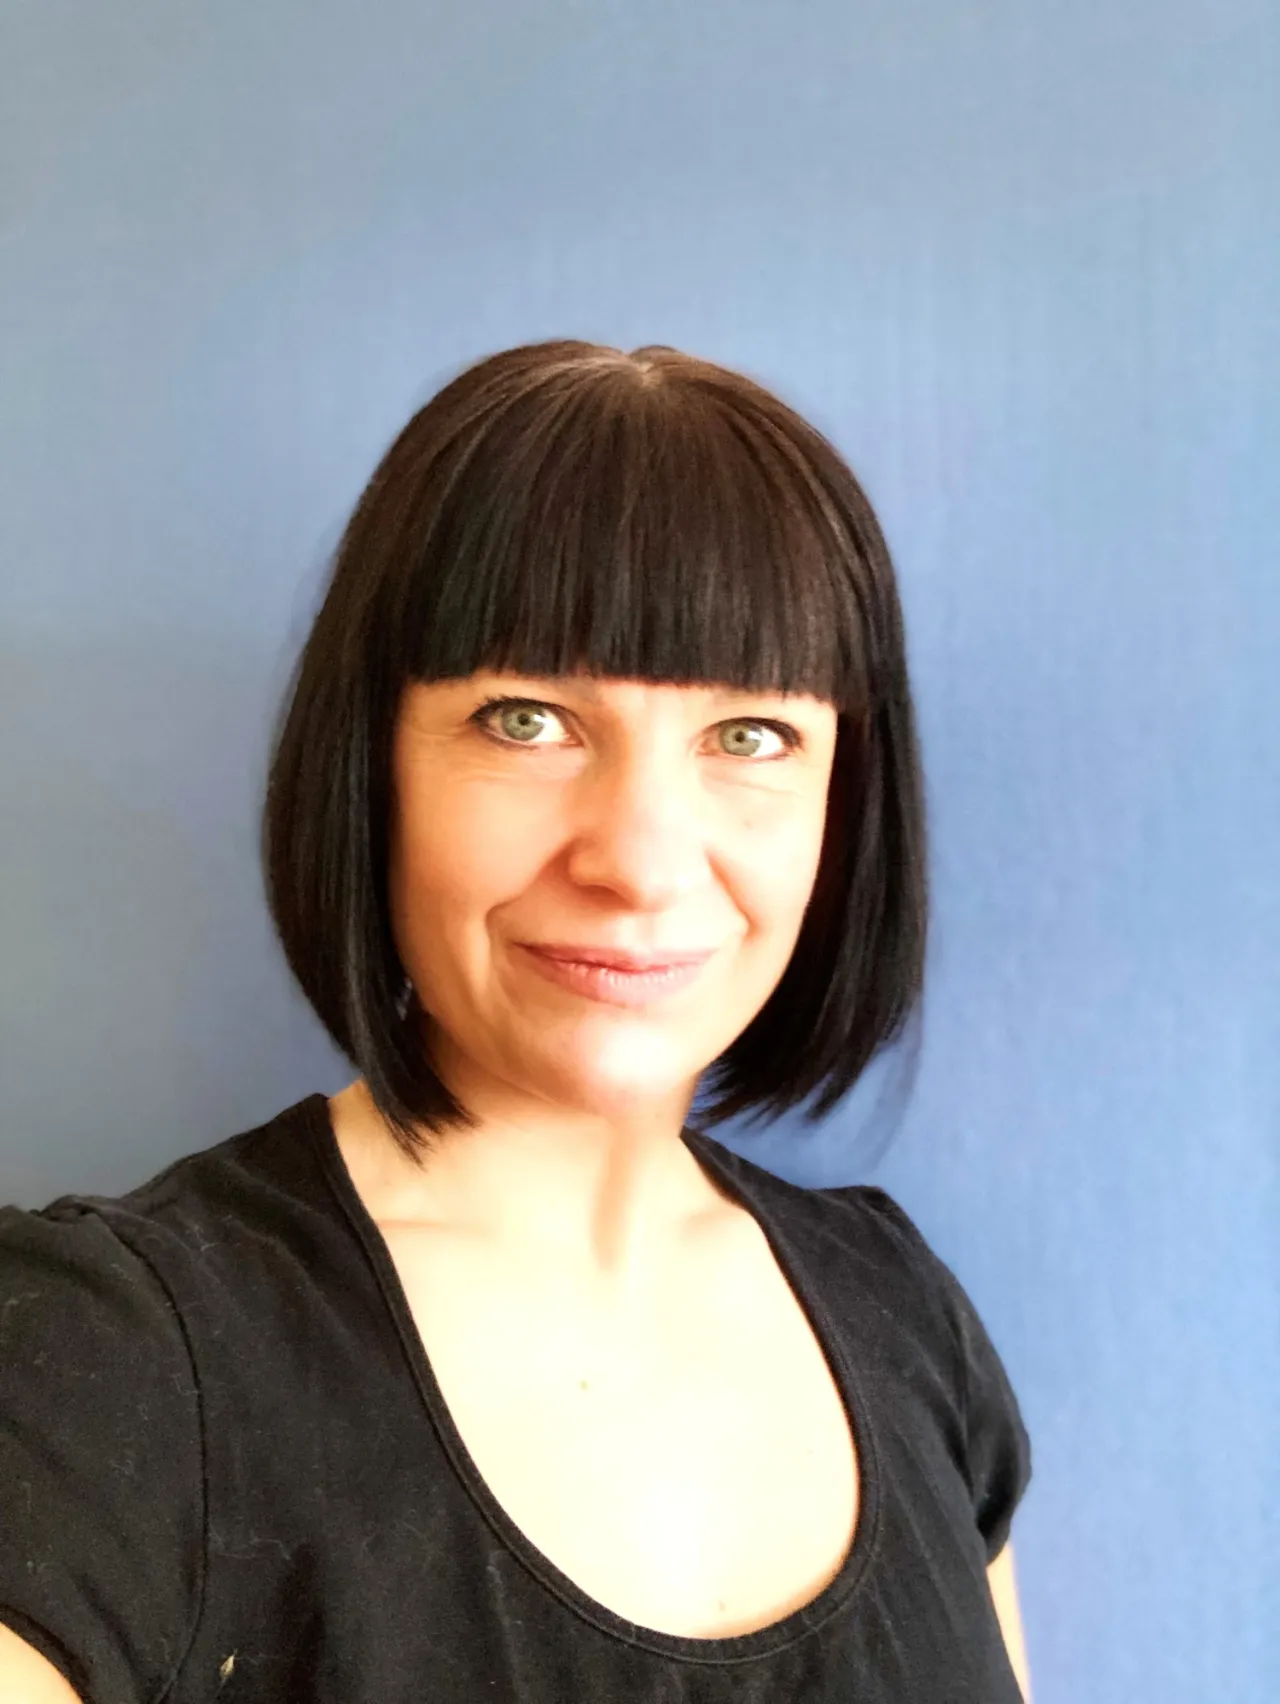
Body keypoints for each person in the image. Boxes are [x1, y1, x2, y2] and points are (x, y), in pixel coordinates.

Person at [0, 339, 1034, 1703]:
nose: (641, 863)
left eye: (750, 737)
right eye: (527, 720)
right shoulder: (98, 1360)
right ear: (372, 767)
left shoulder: (909, 1320)